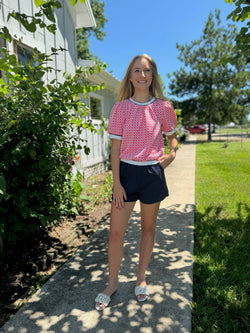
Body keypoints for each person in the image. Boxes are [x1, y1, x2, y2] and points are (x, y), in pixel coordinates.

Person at [95, 54, 178, 311]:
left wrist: (171, 153)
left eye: (147, 71)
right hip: (127, 176)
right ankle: (111, 283)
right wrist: (116, 183)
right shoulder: (120, 108)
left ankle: (141, 278)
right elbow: (115, 150)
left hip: (152, 175)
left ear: (152, 75)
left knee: (148, 230)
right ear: (129, 76)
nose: (142, 76)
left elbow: (172, 138)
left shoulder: (163, 107)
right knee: (116, 233)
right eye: (137, 71)